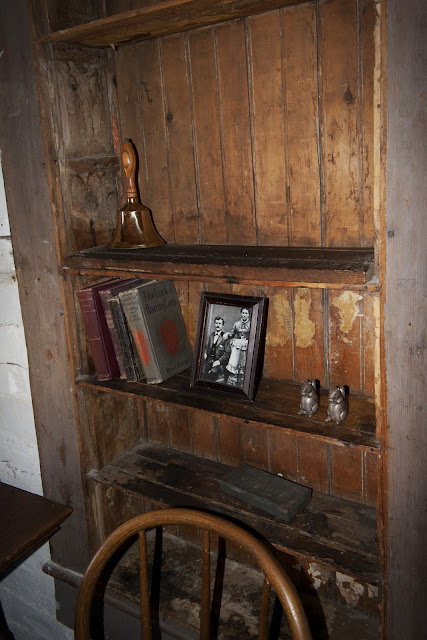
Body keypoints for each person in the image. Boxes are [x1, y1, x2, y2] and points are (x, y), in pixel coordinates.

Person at [225, 308, 251, 387]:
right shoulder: (236, 323)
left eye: (246, 313)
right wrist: (228, 335)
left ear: (248, 314)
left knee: (244, 363)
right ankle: (234, 380)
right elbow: (232, 334)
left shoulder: (251, 324)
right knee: (235, 363)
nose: (244, 315)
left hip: (246, 346)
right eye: (243, 313)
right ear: (241, 313)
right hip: (237, 347)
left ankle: (243, 381)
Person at [203, 316, 229, 382]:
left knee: (212, 375)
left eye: (219, 323)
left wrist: (219, 361)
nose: (217, 325)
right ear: (214, 324)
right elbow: (206, 346)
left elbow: (227, 353)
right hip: (209, 361)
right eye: (216, 323)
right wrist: (205, 353)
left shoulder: (225, 337)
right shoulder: (211, 336)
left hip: (218, 363)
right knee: (203, 374)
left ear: (222, 326)